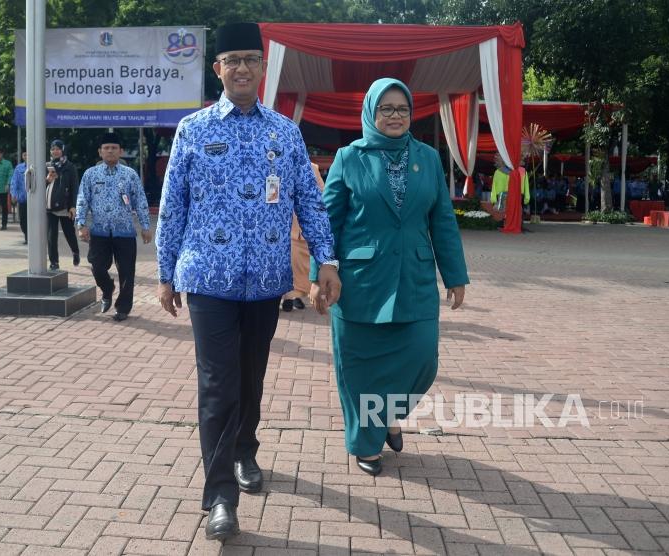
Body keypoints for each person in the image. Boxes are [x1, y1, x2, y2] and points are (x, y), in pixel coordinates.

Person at [155, 22, 339, 542]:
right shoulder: (193, 129)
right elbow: (173, 208)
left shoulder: (284, 131)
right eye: (231, 59)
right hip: (207, 280)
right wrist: (166, 274)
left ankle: (245, 450)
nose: (240, 68)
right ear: (218, 69)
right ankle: (219, 498)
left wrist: (327, 261)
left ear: (262, 69)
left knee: (250, 377)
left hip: (264, 280)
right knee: (217, 384)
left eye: (249, 60)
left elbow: (310, 200)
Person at [310, 77, 467, 478]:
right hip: (360, 283)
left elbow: (443, 221)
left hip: (413, 277)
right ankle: (366, 444)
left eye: (402, 109)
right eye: (386, 109)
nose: (395, 116)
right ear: (370, 112)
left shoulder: (428, 158)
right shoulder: (349, 157)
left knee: (422, 359)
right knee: (359, 370)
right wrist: (319, 272)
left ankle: (388, 416)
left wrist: (455, 274)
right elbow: (326, 222)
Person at [76, 132, 151, 321]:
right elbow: (83, 199)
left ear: (121, 152)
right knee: (97, 266)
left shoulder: (130, 175)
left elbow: (140, 200)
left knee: (126, 271)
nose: (110, 151)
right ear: (100, 152)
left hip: (124, 231)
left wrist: (145, 225)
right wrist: (81, 223)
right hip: (99, 230)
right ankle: (107, 288)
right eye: (106, 148)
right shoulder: (90, 174)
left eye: (114, 148)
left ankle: (123, 308)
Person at [282, 162, 325, 312]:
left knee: (298, 264)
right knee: (286, 262)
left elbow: (321, 193)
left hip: (300, 222)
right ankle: (288, 297)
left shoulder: (312, 167)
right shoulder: (273, 164)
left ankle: (293, 297)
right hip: (280, 222)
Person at [46, 140, 80, 269]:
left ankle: (75, 252)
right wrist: (47, 180)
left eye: (57, 149)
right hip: (49, 206)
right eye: (53, 149)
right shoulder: (47, 165)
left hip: (65, 206)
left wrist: (73, 206)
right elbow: (41, 187)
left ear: (62, 150)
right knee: (51, 236)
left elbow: (74, 187)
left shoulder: (69, 166)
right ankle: (54, 262)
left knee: (69, 233)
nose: (55, 151)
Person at [10, 150, 28, 244]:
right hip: (22, 199)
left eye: (28, 154)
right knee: (23, 220)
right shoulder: (19, 167)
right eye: (25, 155)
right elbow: (14, 182)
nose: (26, 156)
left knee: (33, 220)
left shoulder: (37, 166)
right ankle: (26, 236)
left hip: (34, 200)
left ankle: (31, 238)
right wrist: (13, 194)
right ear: (22, 156)